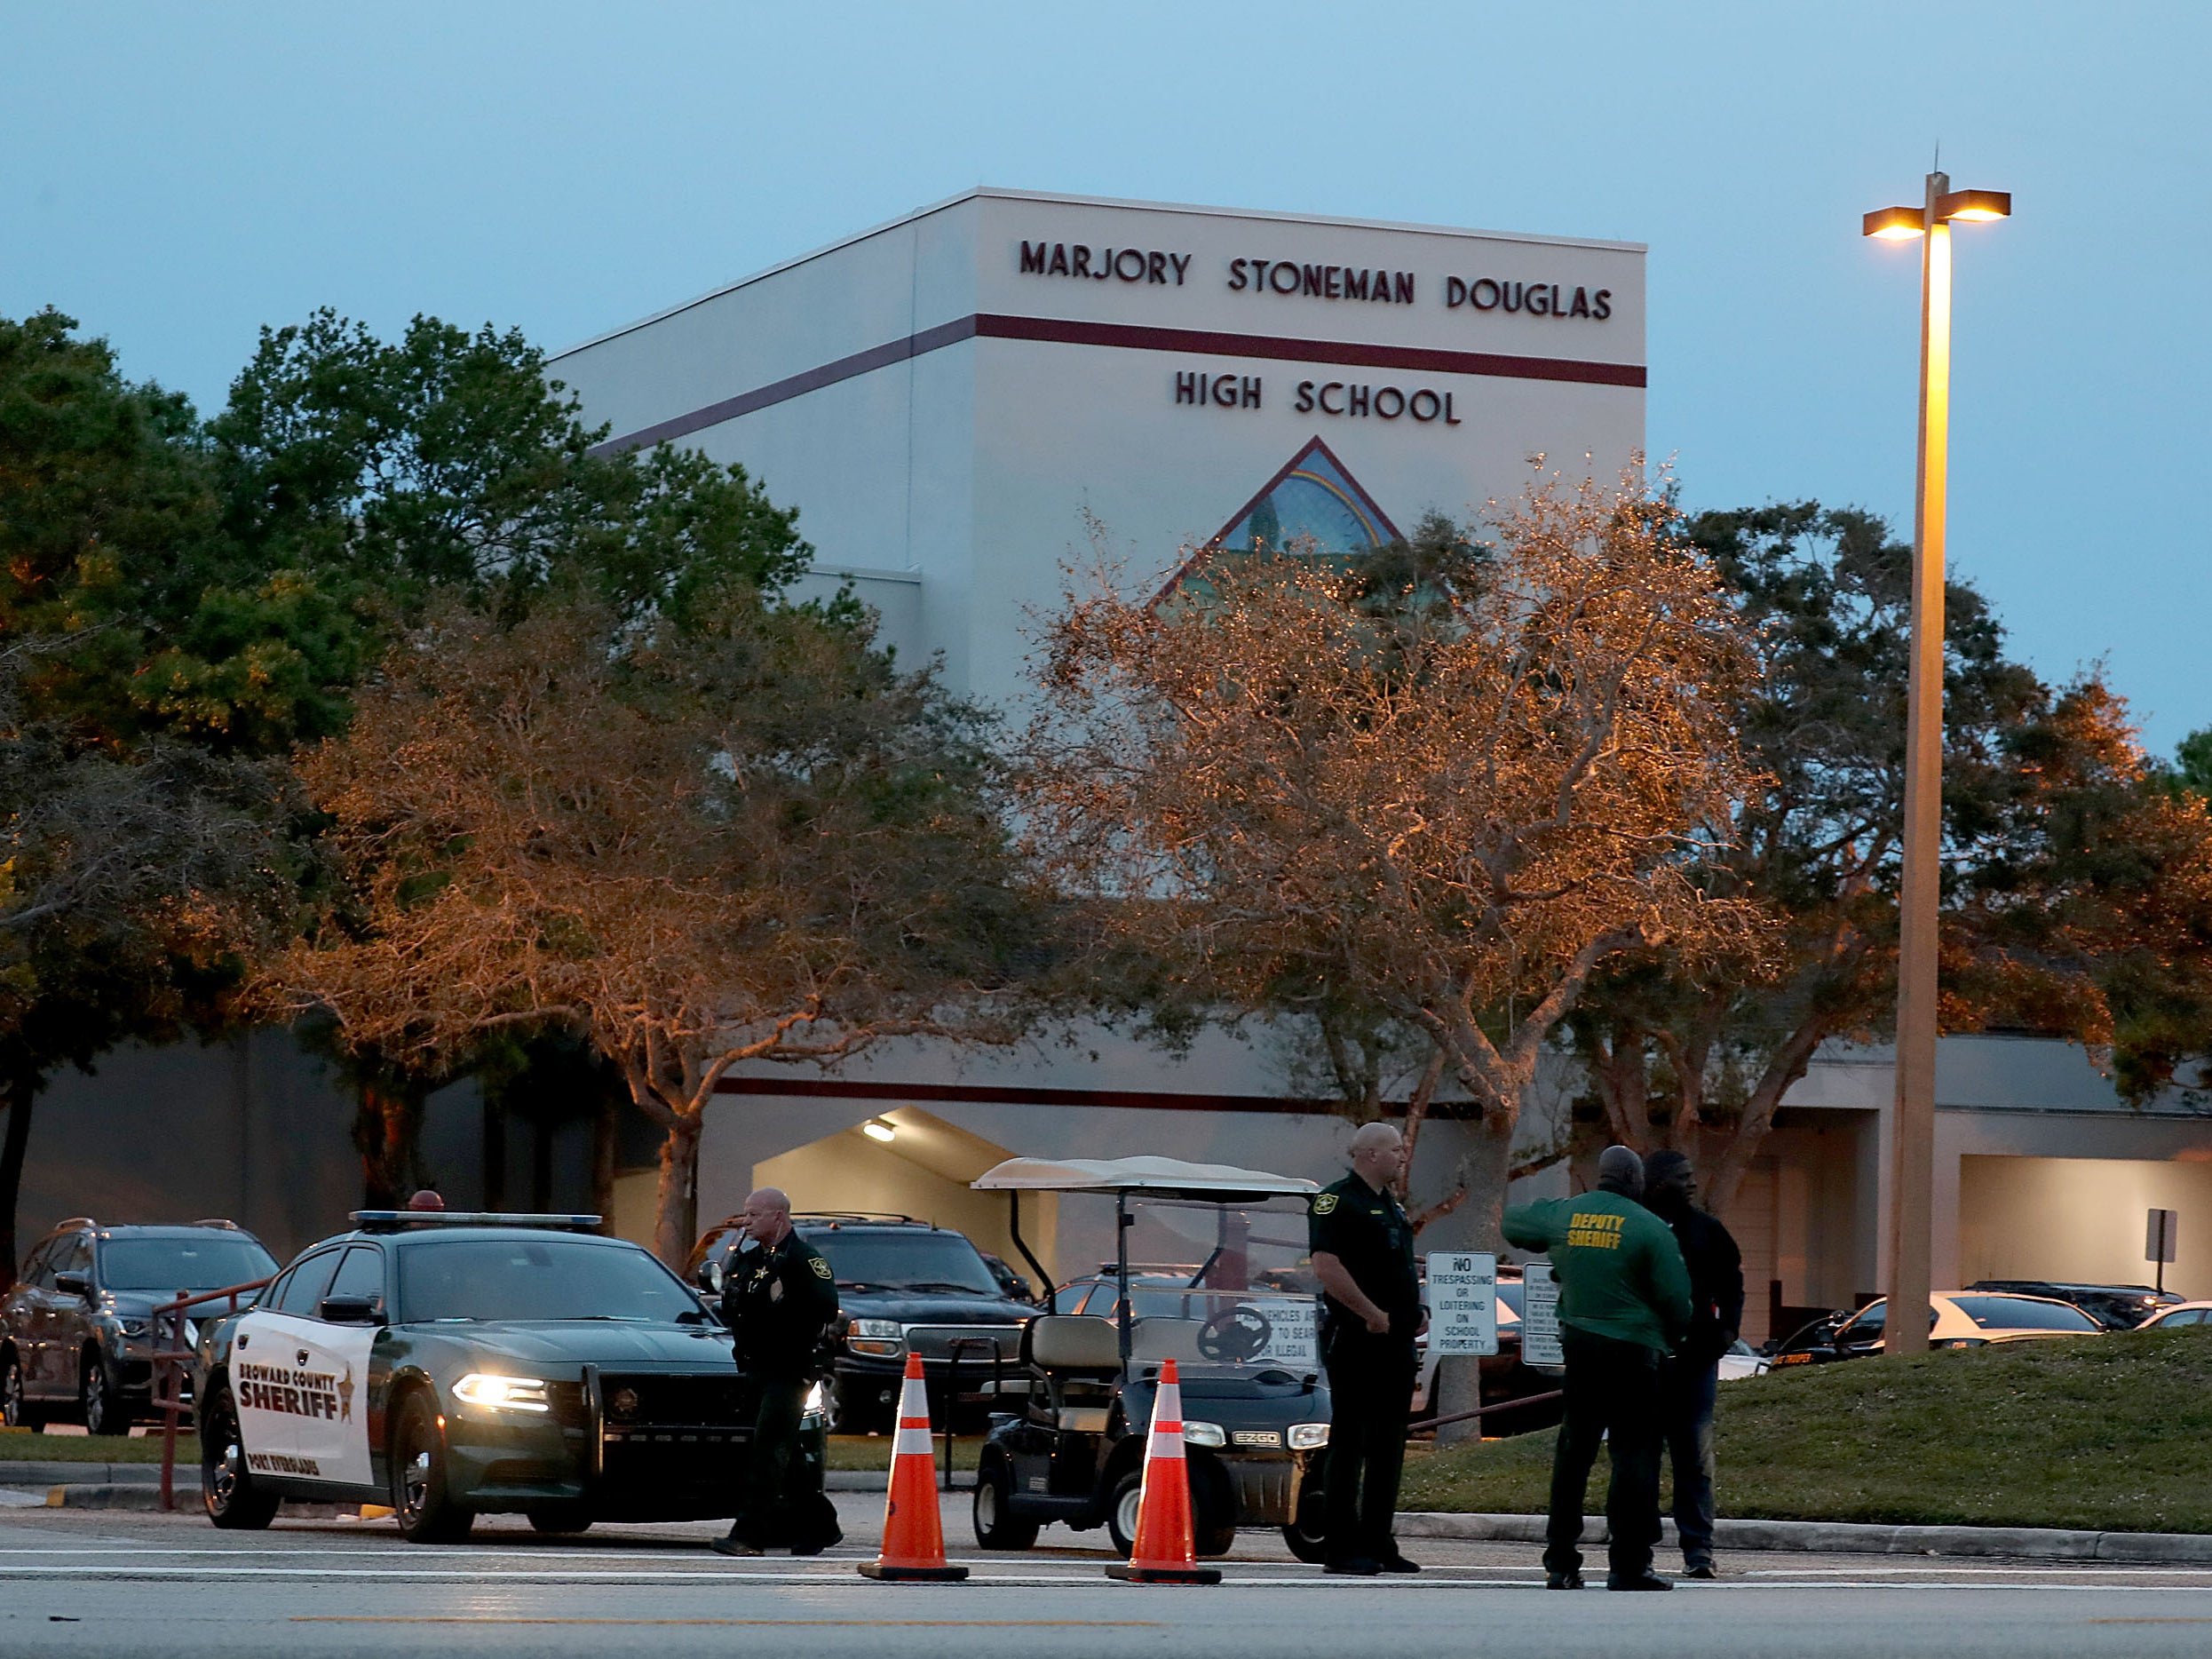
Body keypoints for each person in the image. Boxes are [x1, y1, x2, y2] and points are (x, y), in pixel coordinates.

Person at [1503, 1144, 1691, 1592]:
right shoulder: (1650, 1228)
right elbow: (1677, 1301)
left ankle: (1560, 1562)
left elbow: (1512, 1222)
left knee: (1574, 1454)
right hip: (1634, 1352)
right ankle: (1629, 1565)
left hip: (1581, 1349)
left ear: (1600, 1175)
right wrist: (1672, 1338)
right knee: (1633, 1457)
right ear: (1635, 1180)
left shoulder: (1566, 1214)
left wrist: (1559, 1252)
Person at [1308, 1121, 1424, 1577]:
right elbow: (1326, 1265)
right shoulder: (1338, 1200)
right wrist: (1371, 1312)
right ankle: (1341, 1546)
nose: (1403, 1155)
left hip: (1395, 1341)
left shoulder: (1387, 1204)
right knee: (1351, 1441)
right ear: (1370, 1155)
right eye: (1396, 1149)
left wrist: (1415, 1311)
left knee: (1389, 1444)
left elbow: (1393, 1265)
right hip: (1359, 1339)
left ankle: (1379, 1541)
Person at [712, 1187, 841, 1558]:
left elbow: (825, 1307)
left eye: (754, 1215)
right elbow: (736, 1306)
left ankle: (748, 1534)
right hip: (758, 1367)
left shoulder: (803, 1259)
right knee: (789, 1453)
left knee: (768, 1448)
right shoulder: (751, 1260)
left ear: (778, 1217)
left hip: (791, 1369)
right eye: (746, 1214)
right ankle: (820, 1526)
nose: (747, 1221)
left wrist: (784, 1303)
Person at [1642, 1149, 1745, 1581]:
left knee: (1695, 1459)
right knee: (1640, 1457)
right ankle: (1637, 1548)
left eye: (1692, 1175)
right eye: (1682, 1176)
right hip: (1644, 1361)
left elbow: (1733, 1283)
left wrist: (1727, 1332)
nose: (1692, 1182)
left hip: (1696, 1362)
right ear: (1657, 1181)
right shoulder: (1637, 1228)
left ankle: (1698, 1549)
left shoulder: (1707, 1230)